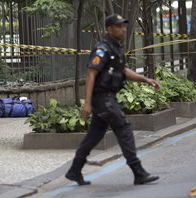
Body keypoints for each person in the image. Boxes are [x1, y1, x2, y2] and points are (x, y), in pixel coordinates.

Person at [65, 14, 160, 186]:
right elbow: (91, 75)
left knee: (94, 135)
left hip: (107, 97)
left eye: (123, 26)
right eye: (118, 26)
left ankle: (74, 170)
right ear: (109, 29)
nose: (123, 29)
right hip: (103, 98)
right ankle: (138, 172)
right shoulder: (102, 49)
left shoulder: (116, 48)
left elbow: (123, 71)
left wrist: (146, 79)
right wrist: (87, 103)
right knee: (124, 129)